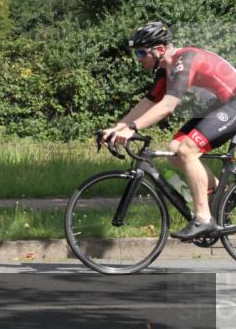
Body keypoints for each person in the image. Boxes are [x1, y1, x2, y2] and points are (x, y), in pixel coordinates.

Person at [101, 21, 236, 240]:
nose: (139, 59)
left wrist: (133, 128)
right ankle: (222, 199)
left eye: (141, 53)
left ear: (160, 50)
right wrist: (117, 128)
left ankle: (203, 218)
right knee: (175, 151)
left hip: (233, 103)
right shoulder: (166, 68)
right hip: (223, 103)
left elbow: (168, 105)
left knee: (188, 150)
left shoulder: (184, 60)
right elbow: (150, 101)